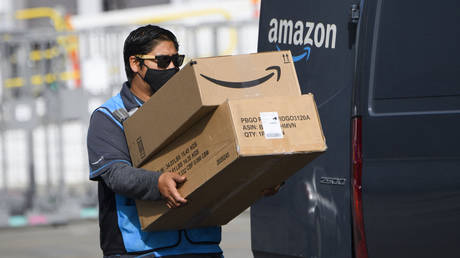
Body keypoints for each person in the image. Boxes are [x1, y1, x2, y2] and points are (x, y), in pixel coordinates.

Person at [86, 25, 223, 258]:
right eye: (162, 61)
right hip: (140, 250)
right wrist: (156, 183)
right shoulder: (109, 116)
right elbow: (116, 174)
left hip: (202, 247)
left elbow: (219, 158)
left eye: (176, 60)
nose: (173, 67)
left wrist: (253, 177)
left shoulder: (192, 107)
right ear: (135, 64)